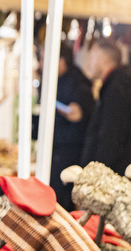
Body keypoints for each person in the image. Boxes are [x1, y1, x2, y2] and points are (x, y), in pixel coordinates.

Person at [81, 38, 131, 176]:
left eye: (92, 57)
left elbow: (111, 140)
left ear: (104, 59)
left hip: (111, 178)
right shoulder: (116, 86)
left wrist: (95, 175)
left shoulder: (117, 89)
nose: (89, 62)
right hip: (112, 176)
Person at [49, 44, 94, 211]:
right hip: (60, 151)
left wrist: (51, 102)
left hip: (70, 153)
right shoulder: (60, 80)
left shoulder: (77, 82)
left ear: (61, 61)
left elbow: (75, 113)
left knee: (63, 202)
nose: (42, 64)